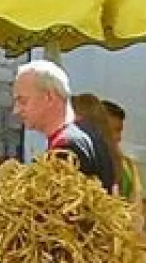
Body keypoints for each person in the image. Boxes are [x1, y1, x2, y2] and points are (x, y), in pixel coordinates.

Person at [11, 60, 116, 193]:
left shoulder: (66, 148)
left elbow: (56, 210)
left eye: (23, 101)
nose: (16, 110)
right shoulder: (89, 132)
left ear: (49, 97)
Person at [102, 99, 146, 221]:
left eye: (120, 131)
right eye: (114, 131)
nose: (118, 138)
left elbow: (137, 210)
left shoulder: (129, 167)